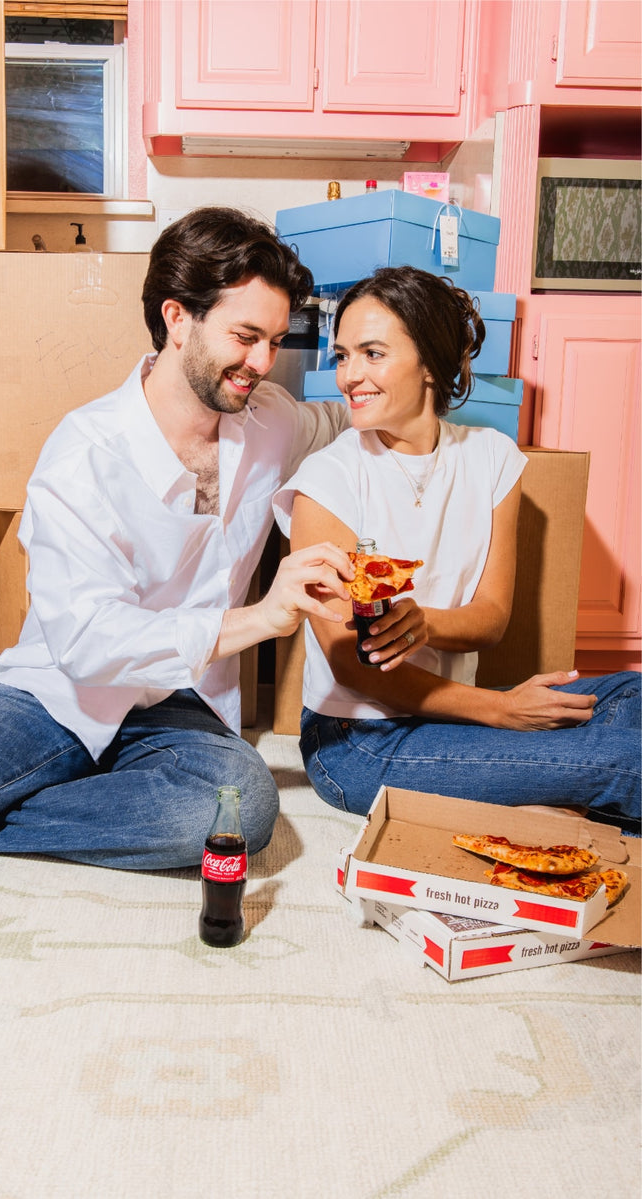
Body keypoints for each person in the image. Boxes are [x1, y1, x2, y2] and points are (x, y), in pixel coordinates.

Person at [0, 206, 355, 927]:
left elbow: (346, 418)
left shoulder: (267, 419)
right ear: (178, 319)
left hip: (181, 708)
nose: (264, 362)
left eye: (273, 340)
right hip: (57, 690)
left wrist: (430, 397)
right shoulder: (84, 453)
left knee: (238, 805)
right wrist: (260, 617)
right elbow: (87, 643)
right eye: (245, 337)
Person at [273, 266, 640, 828]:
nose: (349, 375)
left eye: (372, 353)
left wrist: (425, 624)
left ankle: (566, 800)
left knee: (631, 696)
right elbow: (353, 666)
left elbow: (491, 619)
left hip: (449, 716)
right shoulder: (327, 480)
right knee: (626, 760)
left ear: (430, 361)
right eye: (343, 355)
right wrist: (503, 710)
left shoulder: (492, 458)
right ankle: (577, 794)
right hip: (358, 741)